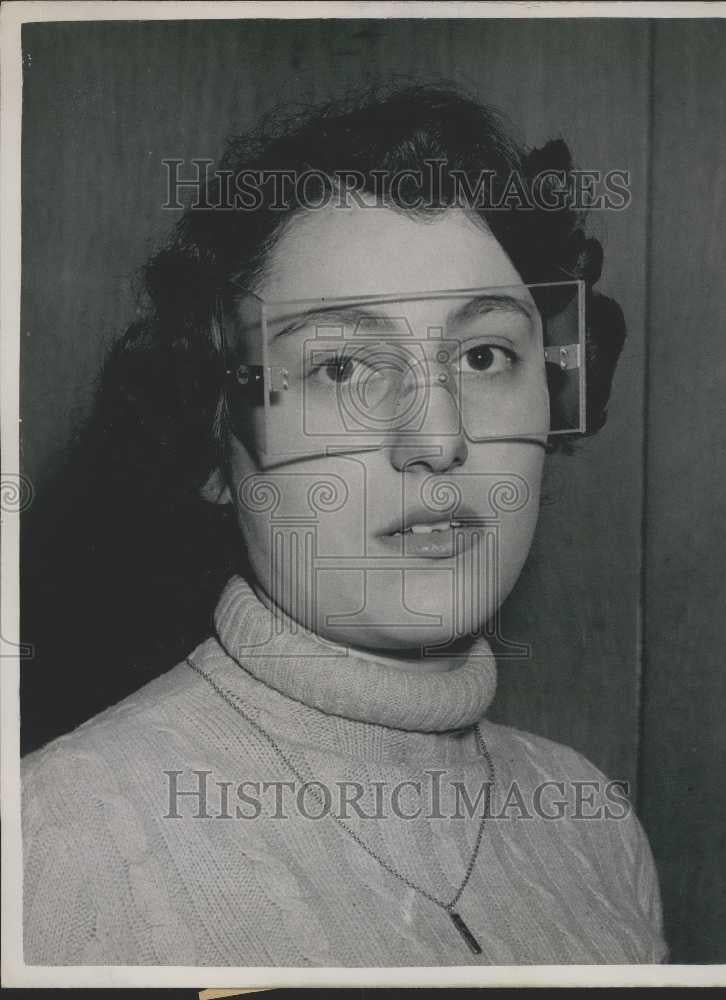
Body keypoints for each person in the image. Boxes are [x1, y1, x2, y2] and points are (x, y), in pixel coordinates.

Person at [21, 85, 668, 966]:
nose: (438, 439)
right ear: (213, 446)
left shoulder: (592, 821)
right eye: (341, 368)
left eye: (484, 356)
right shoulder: (56, 847)